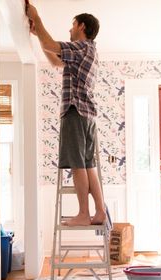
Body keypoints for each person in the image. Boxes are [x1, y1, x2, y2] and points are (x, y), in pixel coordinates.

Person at [26, 4, 106, 226]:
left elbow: (53, 45)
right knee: (88, 165)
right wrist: (38, 36)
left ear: (81, 26)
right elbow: (55, 59)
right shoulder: (88, 51)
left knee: (77, 164)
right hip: (87, 115)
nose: (70, 29)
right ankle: (99, 212)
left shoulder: (81, 47)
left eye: (72, 24)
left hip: (75, 111)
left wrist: (37, 18)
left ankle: (83, 213)